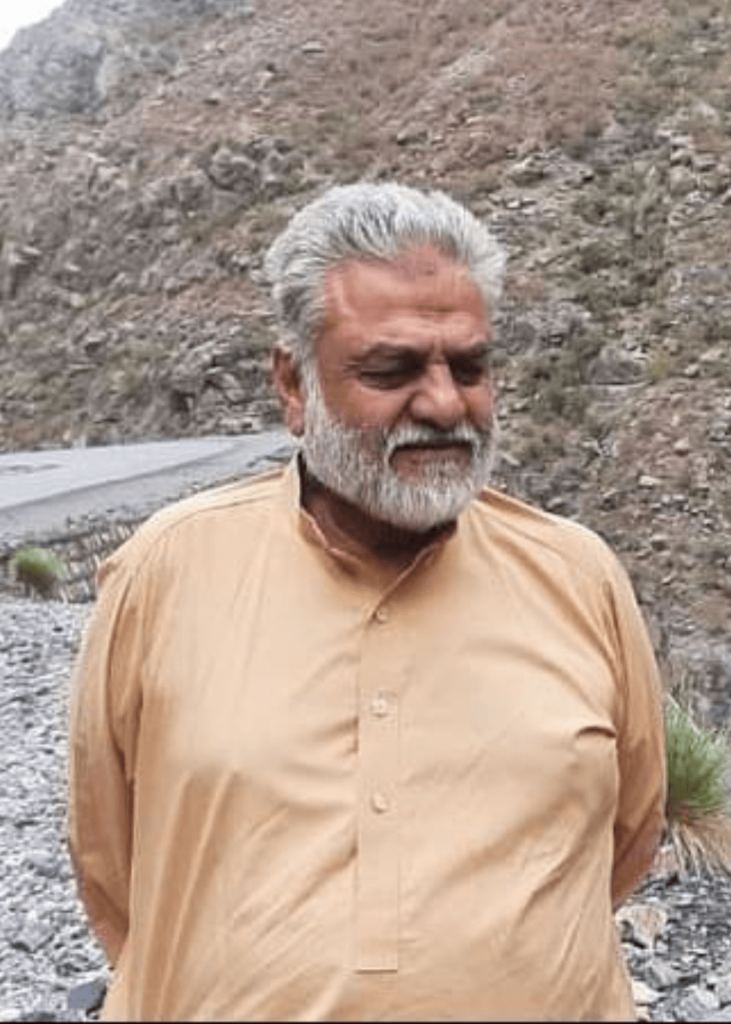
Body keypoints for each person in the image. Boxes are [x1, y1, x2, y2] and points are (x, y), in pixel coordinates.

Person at [68, 181, 666, 1021]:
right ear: (292, 384)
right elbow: (112, 860)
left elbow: (623, 840)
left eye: (469, 367)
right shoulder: (165, 571)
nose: (444, 404)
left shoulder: (578, 575)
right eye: (390, 370)